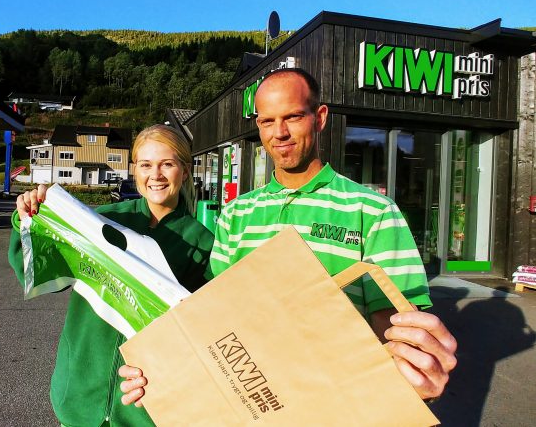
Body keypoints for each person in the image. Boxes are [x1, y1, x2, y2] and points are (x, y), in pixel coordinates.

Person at [119, 68, 457, 405]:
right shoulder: (237, 214)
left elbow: (394, 322)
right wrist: (158, 370)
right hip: (250, 400)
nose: (279, 133)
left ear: (319, 117)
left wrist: (411, 372)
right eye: (267, 121)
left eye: (293, 117)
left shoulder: (373, 210)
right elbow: (214, 319)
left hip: (335, 402)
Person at [8, 124, 214, 426]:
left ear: (184, 170)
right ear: (134, 170)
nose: (155, 175)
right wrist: (27, 219)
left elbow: (203, 336)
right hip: (78, 396)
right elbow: (37, 270)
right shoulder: (104, 219)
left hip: (144, 409)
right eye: (145, 165)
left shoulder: (203, 244)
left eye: (166, 164)